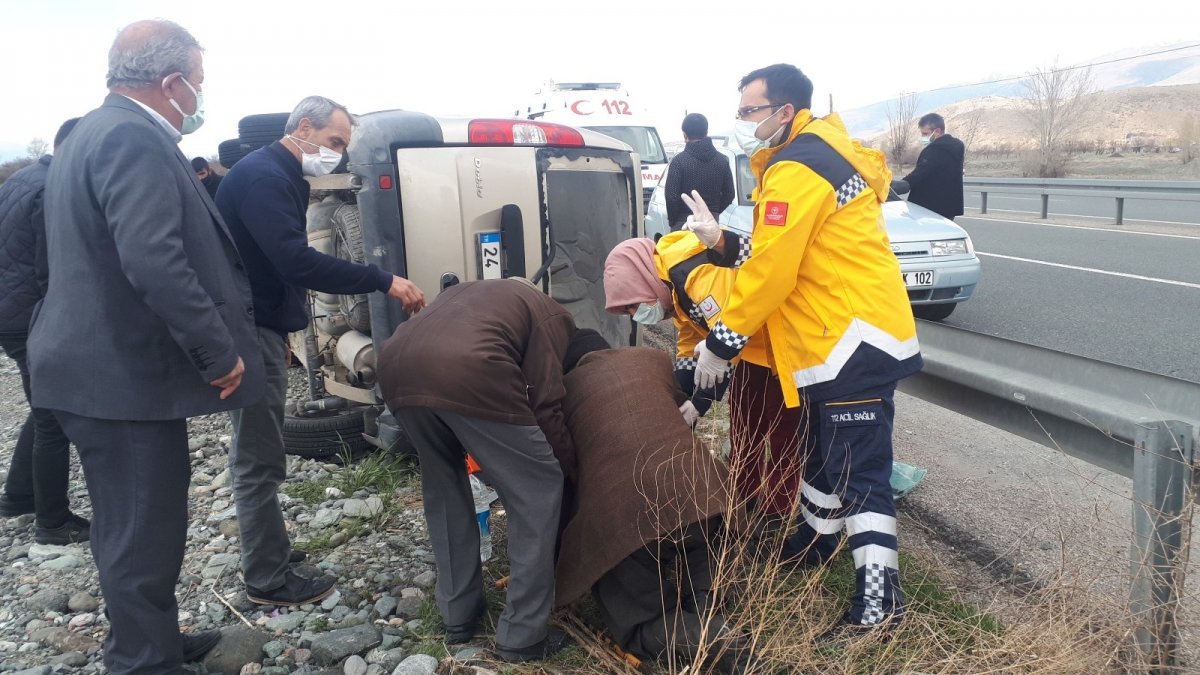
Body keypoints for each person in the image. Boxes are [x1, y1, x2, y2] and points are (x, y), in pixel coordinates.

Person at [28, 19, 265, 672]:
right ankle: (143, 660)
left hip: (94, 370)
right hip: (119, 377)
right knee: (142, 532)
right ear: (171, 83)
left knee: (126, 525)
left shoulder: (89, 131)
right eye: (199, 83)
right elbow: (154, 258)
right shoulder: (134, 138)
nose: (200, 95)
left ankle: (145, 636)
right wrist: (217, 352)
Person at [682, 63, 922, 644]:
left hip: (848, 340)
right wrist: (721, 241)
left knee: (861, 471)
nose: (741, 122)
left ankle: (880, 603)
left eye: (748, 111)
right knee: (823, 452)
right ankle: (814, 544)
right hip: (834, 338)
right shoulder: (810, 156)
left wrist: (721, 343)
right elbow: (786, 246)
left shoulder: (798, 167)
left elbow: (771, 270)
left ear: (783, 111)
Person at [215, 95, 424, 607]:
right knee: (259, 459)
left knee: (260, 455)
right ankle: (266, 579)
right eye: (333, 142)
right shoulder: (266, 178)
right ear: (303, 127)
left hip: (258, 324)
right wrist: (384, 279)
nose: (335, 153)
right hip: (249, 328)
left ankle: (273, 555)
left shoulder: (272, 172)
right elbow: (296, 262)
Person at [377, 278, 573, 663]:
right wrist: (568, 467)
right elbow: (545, 405)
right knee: (537, 487)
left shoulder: (476, 293)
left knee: (443, 484)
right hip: (466, 366)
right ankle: (523, 634)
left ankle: (458, 612)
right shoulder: (554, 315)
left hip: (396, 365)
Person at [554, 340, 749, 674]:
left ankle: (703, 636)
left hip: (624, 505)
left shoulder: (563, 393)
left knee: (639, 616)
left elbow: (566, 482)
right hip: (701, 485)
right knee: (697, 532)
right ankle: (706, 604)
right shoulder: (652, 359)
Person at [603, 234, 806, 522]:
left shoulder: (694, 269)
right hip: (752, 350)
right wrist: (681, 391)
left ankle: (776, 512)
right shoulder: (671, 286)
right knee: (744, 426)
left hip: (783, 343)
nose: (636, 315)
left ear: (643, 282)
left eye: (633, 305)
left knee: (782, 431)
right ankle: (743, 496)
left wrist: (701, 402)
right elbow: (690, 337)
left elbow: (728, 334)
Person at [0, 117, 88, 546]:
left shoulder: (22, 179)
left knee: (42, 407)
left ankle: (18, 495)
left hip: (11, 313)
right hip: (30, 317)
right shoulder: (52, 188)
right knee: (54, 417)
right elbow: (49, 268)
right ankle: (52, 522)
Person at [664, 113, 735, 231]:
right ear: (706, 132)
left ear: (685, 135)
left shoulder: (678, 161)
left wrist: (673, 222)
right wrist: (712, 212)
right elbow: (729, 194)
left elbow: (672, 197)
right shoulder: (722, 161)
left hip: (683, 225)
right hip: (711, 226)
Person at [902, 112, 964, 220]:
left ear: (938, 131)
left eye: (925, 133)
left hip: (929, 207)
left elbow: (920, 174)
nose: (923, 137)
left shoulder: (934, 150)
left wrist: (901, 184)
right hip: (949, 207)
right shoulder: (957, 147)